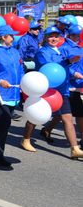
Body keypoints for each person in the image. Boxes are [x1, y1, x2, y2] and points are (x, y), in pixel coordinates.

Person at [21, 26, 83, 159]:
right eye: (51, 36)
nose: (54, 39)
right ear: (45, 38)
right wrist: (68, 61)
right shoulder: (42, 52)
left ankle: (74, 149)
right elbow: (51, 67)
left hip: (62, 89)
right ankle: (26, 138)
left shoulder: (59, 51)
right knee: (35, 116)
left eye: (56, 36)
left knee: (67, 118)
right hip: (45, 89)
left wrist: (74, 73)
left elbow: (63, 70)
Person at [0, 25, 24, 170]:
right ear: (3, 37)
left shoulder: (14, 51)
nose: (13, 38)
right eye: (11, 35)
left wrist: (25, 82)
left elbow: (21, 70)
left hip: (13, 94)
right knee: (4, 123)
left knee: (5, 126)